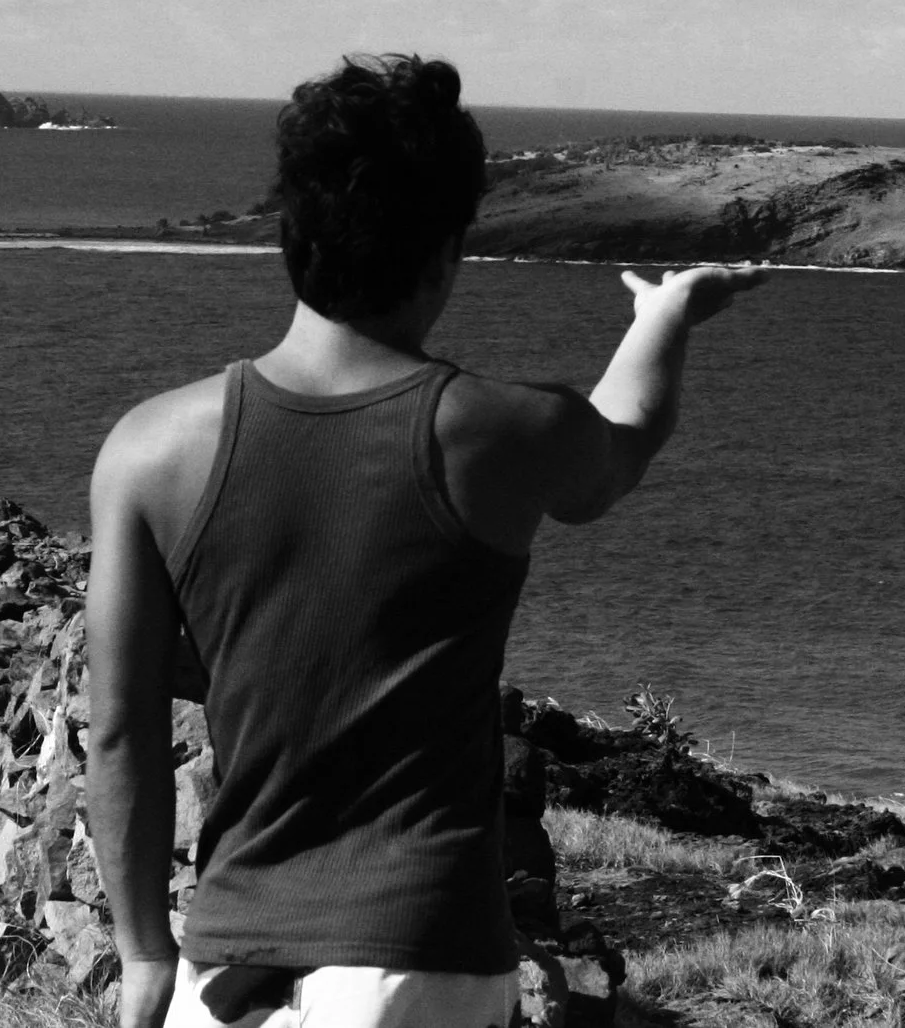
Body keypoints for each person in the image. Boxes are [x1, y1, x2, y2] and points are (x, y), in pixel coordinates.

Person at [85, 54, 764, 1028]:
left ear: (289, 230)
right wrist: (664, 315)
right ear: (446, 252)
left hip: (228, 972)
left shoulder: (147, 447)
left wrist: (144, 951)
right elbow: (622, 438)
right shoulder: (498, 430)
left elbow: (119, 727)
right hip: (423, 965)